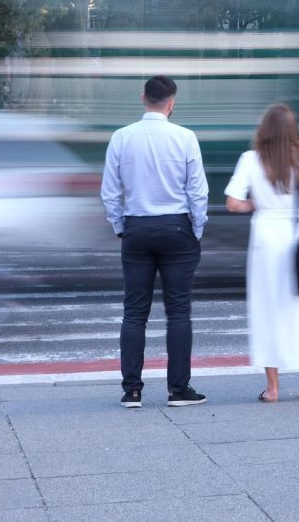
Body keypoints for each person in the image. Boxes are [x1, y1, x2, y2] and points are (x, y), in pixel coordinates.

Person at [100, 75, 209, 409]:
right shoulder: (185, 137)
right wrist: (195, 228)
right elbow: (198, 192)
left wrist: (121, 226)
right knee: (178, 312)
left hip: (136, 228)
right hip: (177, 228)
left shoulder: (121, 137)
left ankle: (132, 391)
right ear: (171, 102)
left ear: (143, 97)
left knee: (134, 312)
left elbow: (109, 191)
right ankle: (179, 390)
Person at [224, 103, 299, 402]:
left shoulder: (250, 159)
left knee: (267, 310)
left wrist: (256, 204)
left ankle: (273, 388)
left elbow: (233, 203)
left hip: (265, 240)